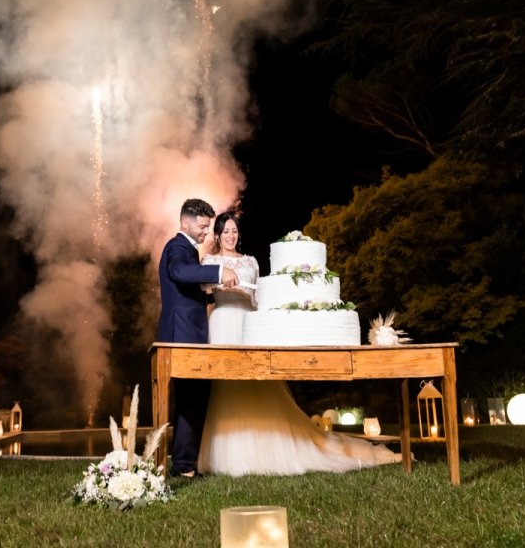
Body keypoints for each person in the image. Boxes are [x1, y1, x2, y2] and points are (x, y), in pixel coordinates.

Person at [196, 212, 402, 476]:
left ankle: (268, 448)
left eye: (234, 231)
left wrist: (246, 294)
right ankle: (227, 454)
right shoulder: (210, 261)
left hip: (250, 322)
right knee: (226, 387)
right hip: (223, 323)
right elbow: (205, 291)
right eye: (226, 231)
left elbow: (260, 297)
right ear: (217, 234)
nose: (230, 236)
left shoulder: (251, 261)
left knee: (259, 383)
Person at [158, 198, 238, 477]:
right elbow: (177, 273)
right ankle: (183, 466)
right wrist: (219, 270)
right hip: (181, 335)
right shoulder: (177, 247)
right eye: (203, 227)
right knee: (192, 399)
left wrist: (213, 294)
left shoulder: (188, 250)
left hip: (188, 332)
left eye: (207, 227)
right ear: (185, 223)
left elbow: (186, 292)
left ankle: (184, 465)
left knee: (193, 399)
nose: (206, 232)